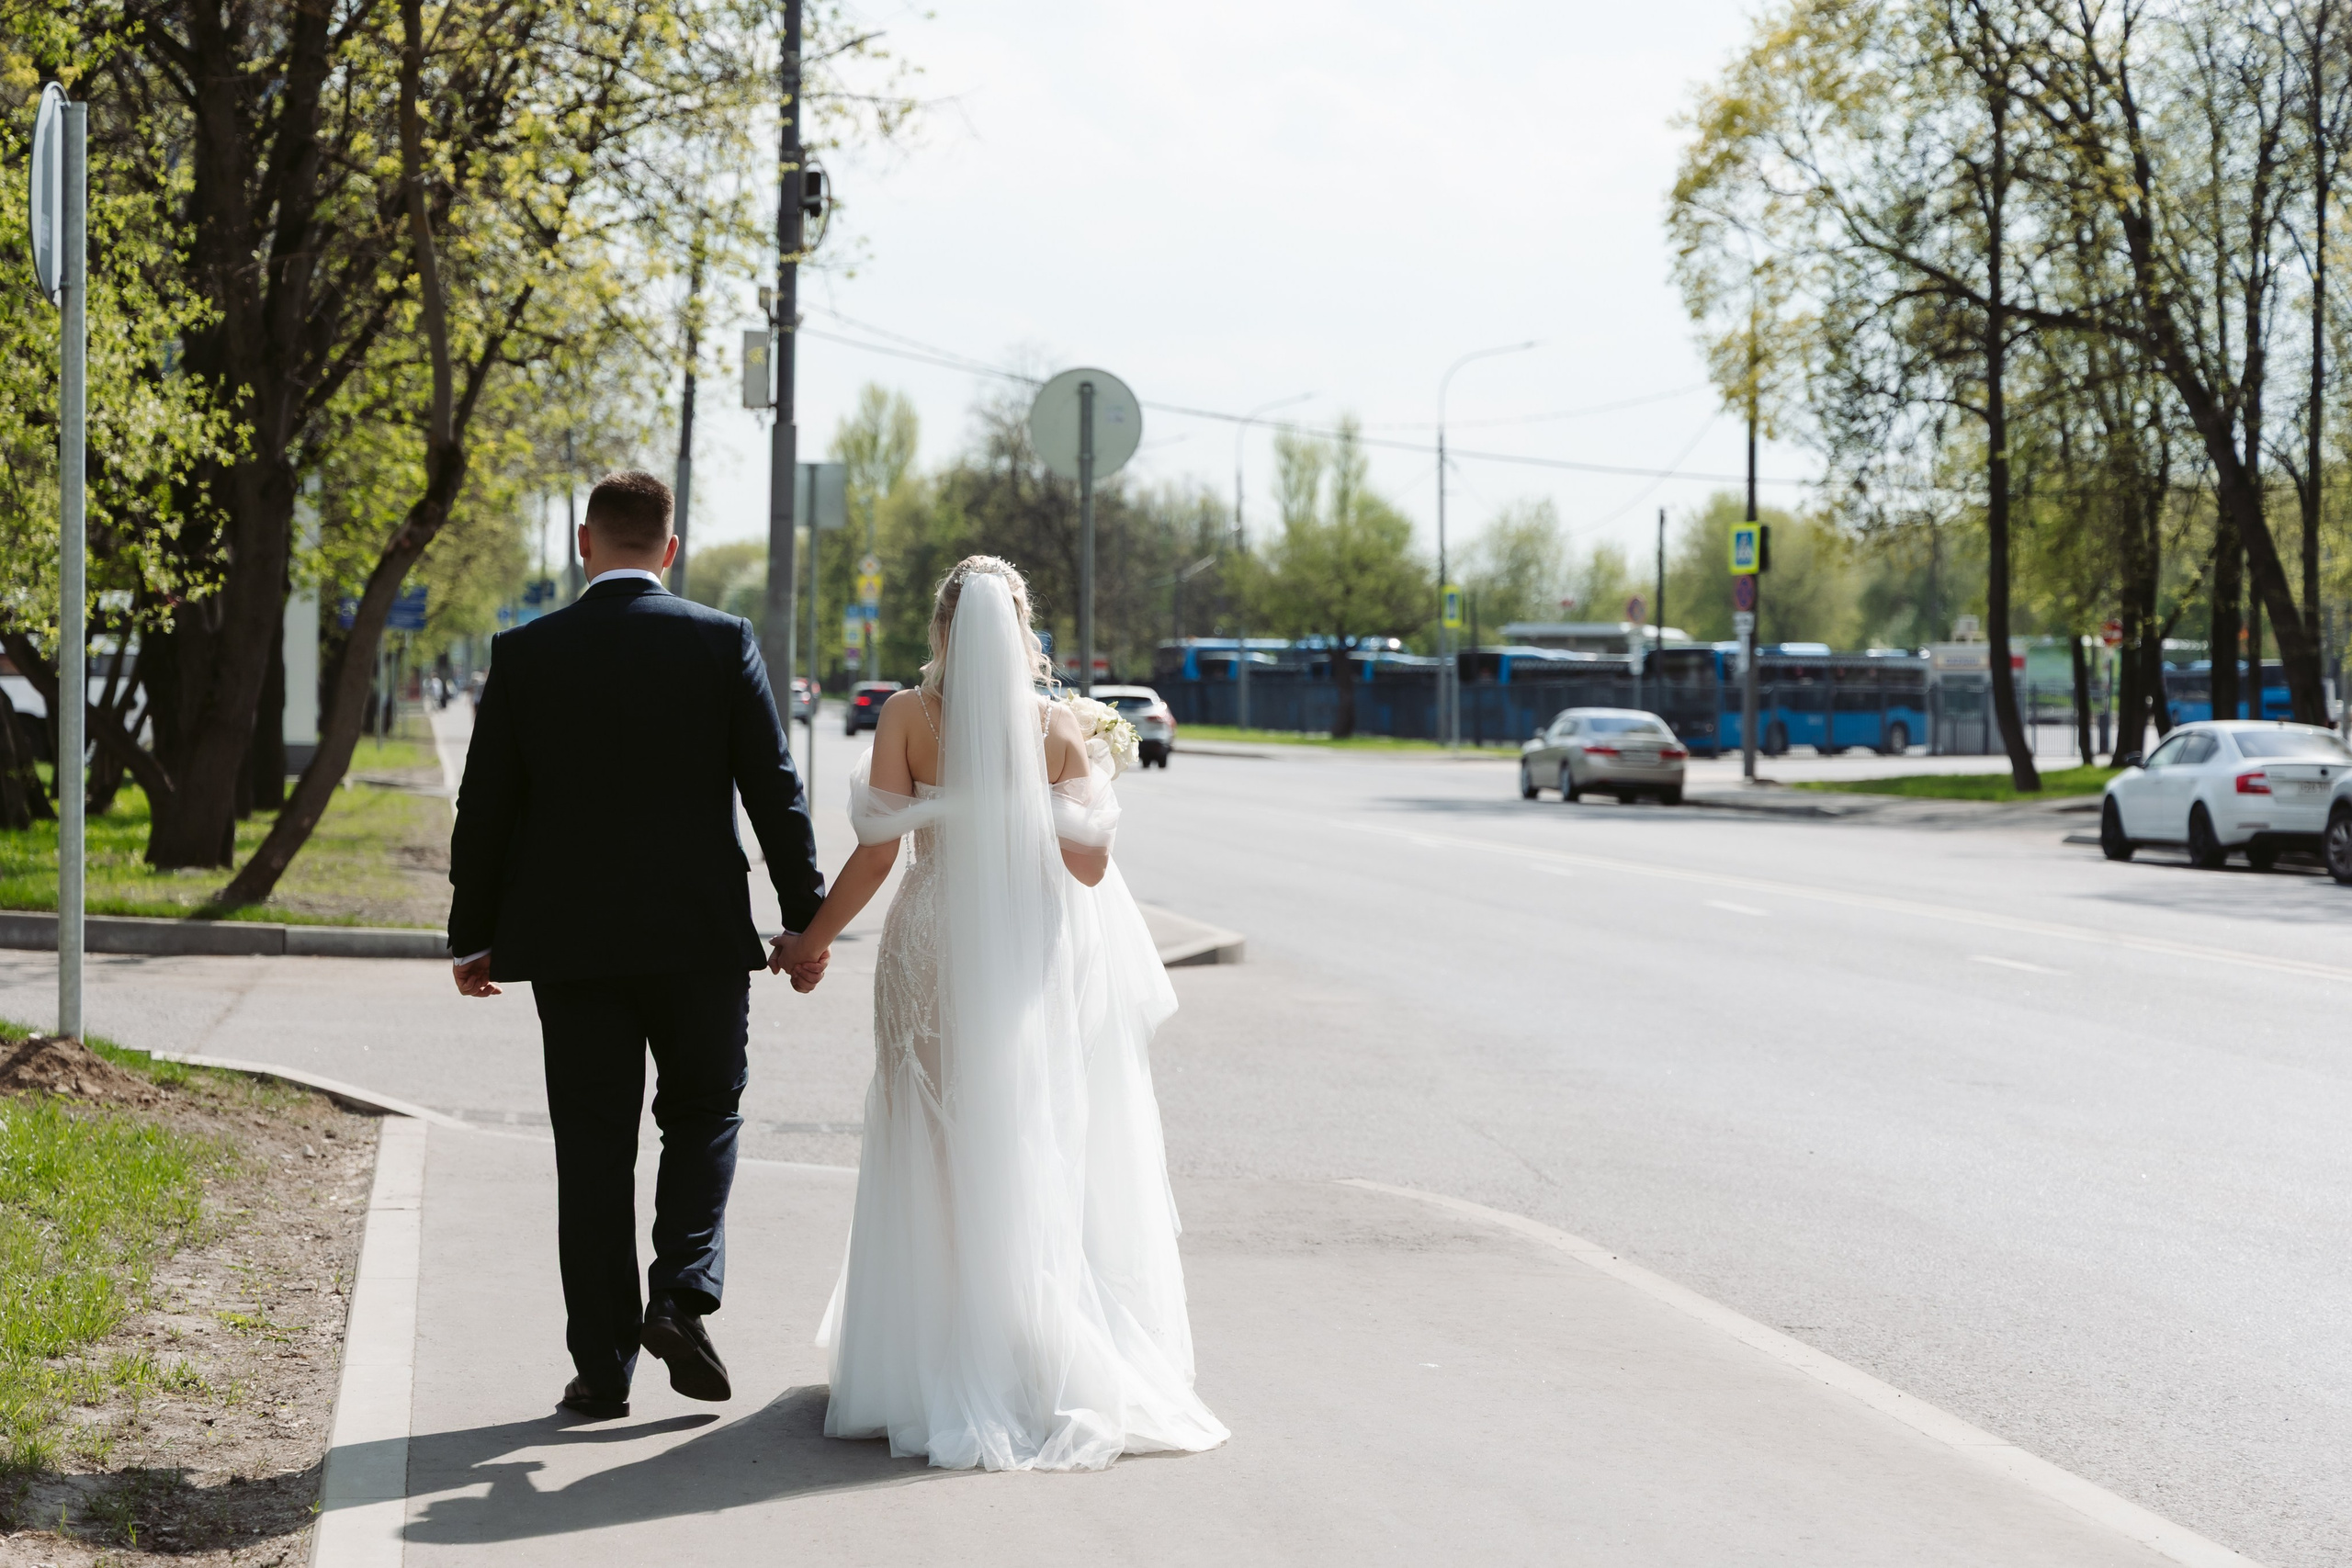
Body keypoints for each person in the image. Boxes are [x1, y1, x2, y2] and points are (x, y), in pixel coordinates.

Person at [770, 556, 1228, 1471]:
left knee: (927, 1137)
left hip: (930, 938)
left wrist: (809, 939)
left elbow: (871, 857)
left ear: (941, 631)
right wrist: (1091, 775)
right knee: (1027, 1129)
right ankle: (1027, 1353)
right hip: (1023, 948)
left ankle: (923, 1356)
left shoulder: (906, 716)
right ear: (1022, 631)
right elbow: (1087, 871)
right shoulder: (1059, 726)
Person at [447, 469, 829, 1421]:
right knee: (702, 1115)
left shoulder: (528, 653)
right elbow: (773, 789)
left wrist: (472, 934)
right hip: (700, 938)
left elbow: (485, 805)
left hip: (570, 948)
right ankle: (681, 1293)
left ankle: (603, 1368)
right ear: (669, 550)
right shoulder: (719, 641)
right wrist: (805, 919)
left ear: (585, 543)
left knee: (592, 1149)